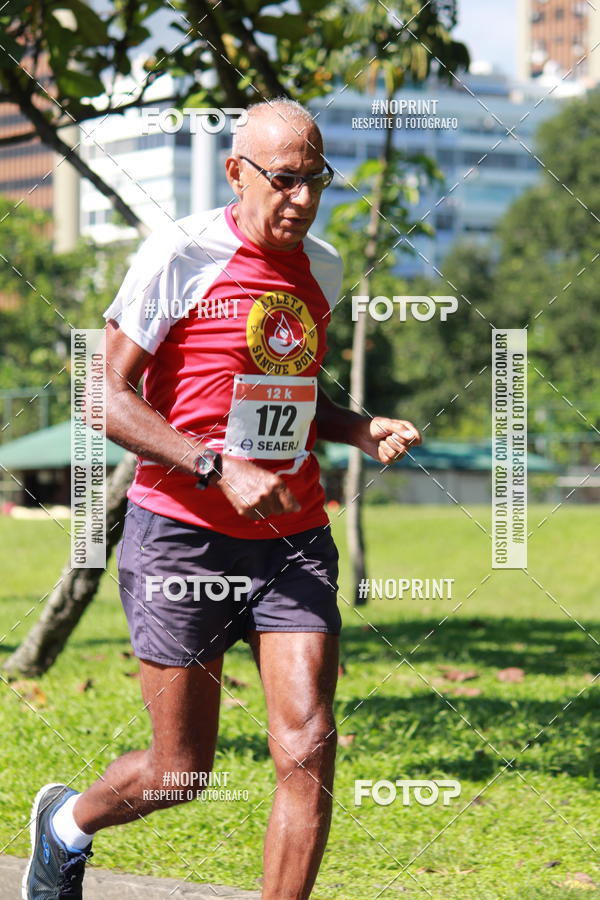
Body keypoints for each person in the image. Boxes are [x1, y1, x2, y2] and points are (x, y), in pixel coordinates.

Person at [24, 98, 421, 900]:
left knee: (308, 746)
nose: (302, 200)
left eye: (316, 181)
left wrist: (357, 427)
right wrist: (215, 467)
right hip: (182, 537)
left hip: (292, 536)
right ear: (237, 172)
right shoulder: (180, 254)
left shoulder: (326, 267)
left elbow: (292, 392)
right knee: (180, 772)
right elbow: (101, 397)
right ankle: (65, 826)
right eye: (284, 181)